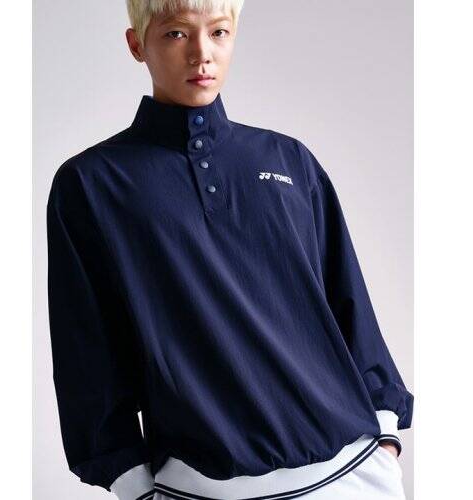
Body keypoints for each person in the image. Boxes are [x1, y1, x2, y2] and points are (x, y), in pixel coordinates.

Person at [46, 1, 414, 499]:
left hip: (352, 472)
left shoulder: (289, 159)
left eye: (218, 32)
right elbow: (85, 348)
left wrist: (385, 433)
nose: (202, 53)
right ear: (137, 44)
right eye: (176, 34)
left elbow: (347, 300)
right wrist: (130, 482)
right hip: (201, 487)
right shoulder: (92, 183)